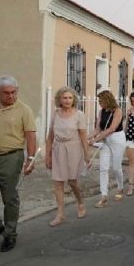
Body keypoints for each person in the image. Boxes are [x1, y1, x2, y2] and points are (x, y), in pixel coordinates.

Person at [0, 75, 36, 252]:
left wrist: (31, 159)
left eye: (13, 92)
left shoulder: (24, 110)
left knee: (9, 198)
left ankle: (10, 234)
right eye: (6, 93)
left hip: (12, 157)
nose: (11, 96)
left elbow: (31, 136)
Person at [45, 86, 90, 226]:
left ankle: (81, 202)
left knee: (72, 182)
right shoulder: (55, 113)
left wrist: (87, 156)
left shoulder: (79, 115)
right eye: (64, 98)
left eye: (70, 98)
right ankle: (60, 214)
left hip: (74, 149)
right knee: (58, 182)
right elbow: (50, 136)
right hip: (58, 150)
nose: (67, 100)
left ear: (74, 99)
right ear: (59, 99)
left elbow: (83, 137)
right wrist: (48, 155)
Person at [89, 90, 126, 208]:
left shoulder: (118, 111)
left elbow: (112, 128)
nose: (99, 103)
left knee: (116, 168)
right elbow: (98, 128)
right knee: (103, 168)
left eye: (101, 101)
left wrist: (95, 140)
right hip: (106, 140)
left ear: (107, 100)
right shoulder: (101, 112)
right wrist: (86, 137)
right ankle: (103, 196)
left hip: (117, 139)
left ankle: (120, 188)